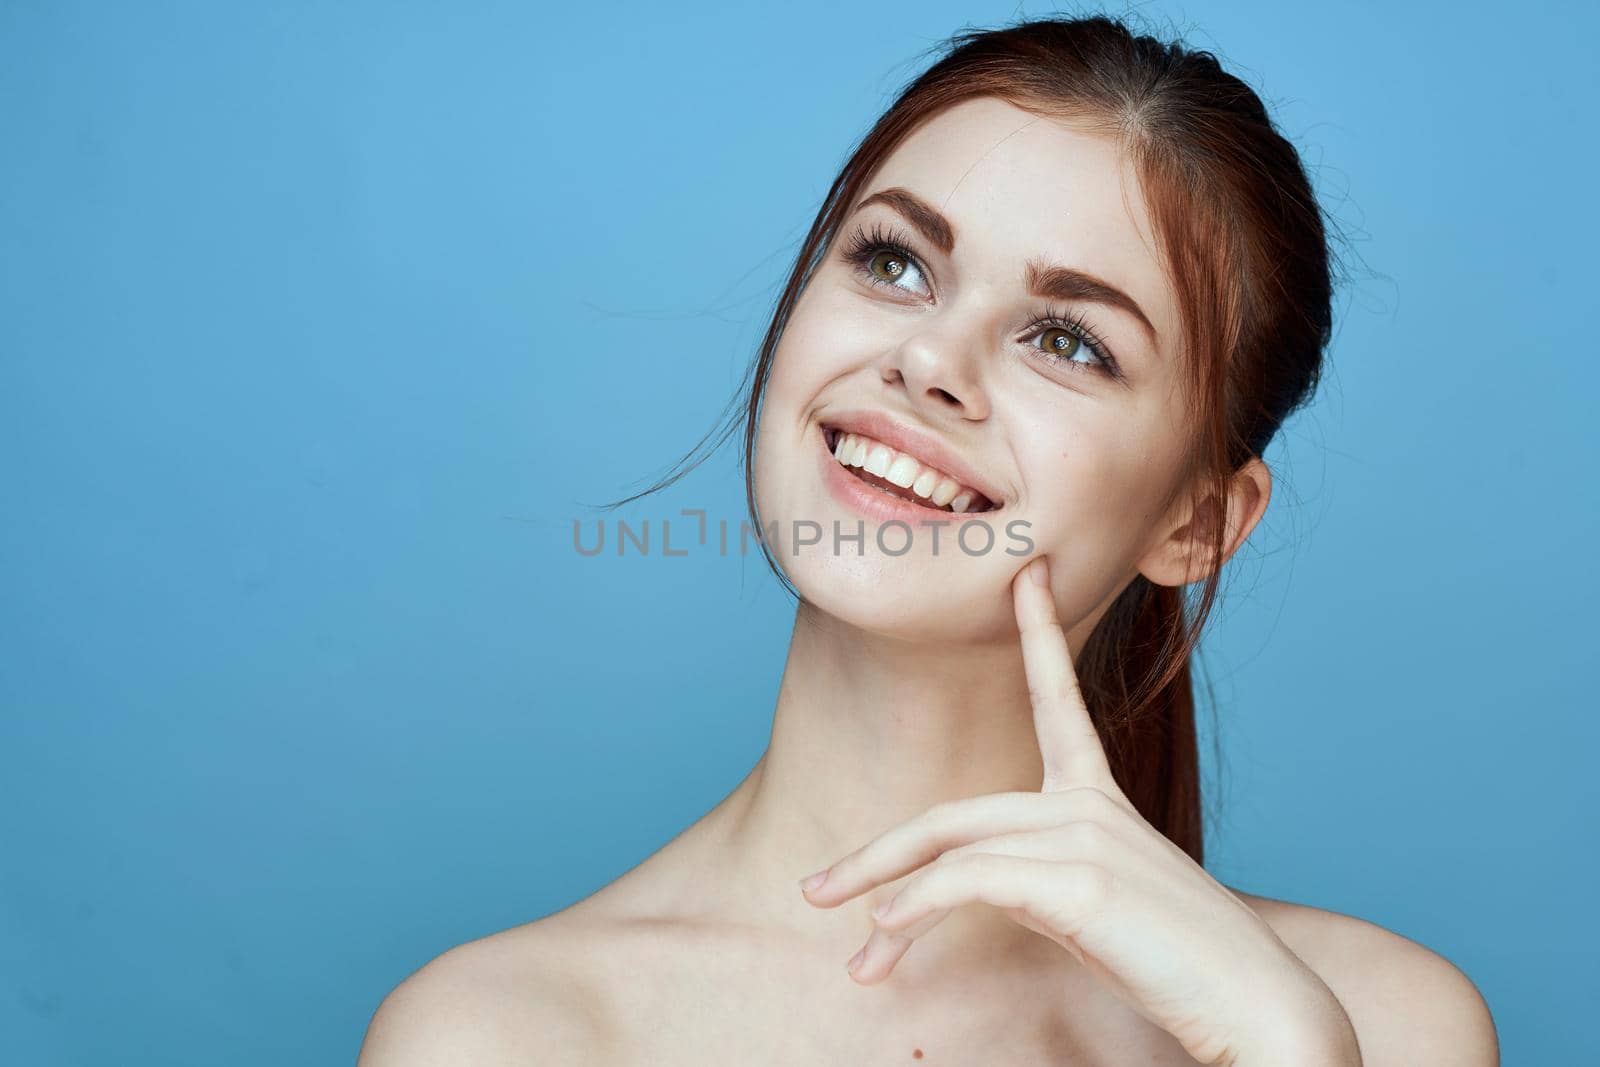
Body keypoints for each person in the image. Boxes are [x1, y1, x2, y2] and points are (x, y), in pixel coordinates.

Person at [359, 14, 1498, 1065]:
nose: (929, 362)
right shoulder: (500, 1034)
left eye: (1065, 339)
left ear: (1195, 522)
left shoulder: (1374, 1024)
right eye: (894, 262)